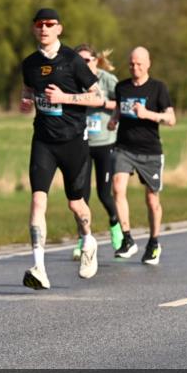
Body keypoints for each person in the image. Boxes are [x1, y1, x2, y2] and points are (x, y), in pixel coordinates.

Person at [19, 8, 105, 290]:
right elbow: (28, 89)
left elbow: (98, 98)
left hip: (73, 141)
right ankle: (39, 268)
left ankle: (88, 240)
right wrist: (26, 101)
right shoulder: (29, 63)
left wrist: (64, 97)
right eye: (39, 24)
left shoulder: (72, 60)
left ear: (59, 28)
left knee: (76, 204)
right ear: (34, 29)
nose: (44, 28)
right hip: (43, 141)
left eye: (49, 24)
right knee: (37, 201)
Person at [108, 46, 176, 265]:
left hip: (150, 151)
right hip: (124, 148)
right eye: (131, 64)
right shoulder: (122, 87)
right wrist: (114, 119)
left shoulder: (158, 88)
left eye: (139, 64)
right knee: (117, 187)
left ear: (148, 64)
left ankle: (154, 243)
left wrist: (148, 114)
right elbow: (119, 108)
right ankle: (127, 239)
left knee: (152, 199)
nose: (134, 68)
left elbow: (171, 119)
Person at [70, 44, 122, 260]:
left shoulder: (107, 80)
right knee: (81, 197)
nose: (83, 64)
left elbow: (122, 103)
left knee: (104, 193)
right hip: (81, 143)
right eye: (78, 60)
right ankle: (83, 239)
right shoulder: (71, 79)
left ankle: (116, 226)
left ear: (95, 60)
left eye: (87, 60)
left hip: (105, 142)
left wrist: (102, 103)